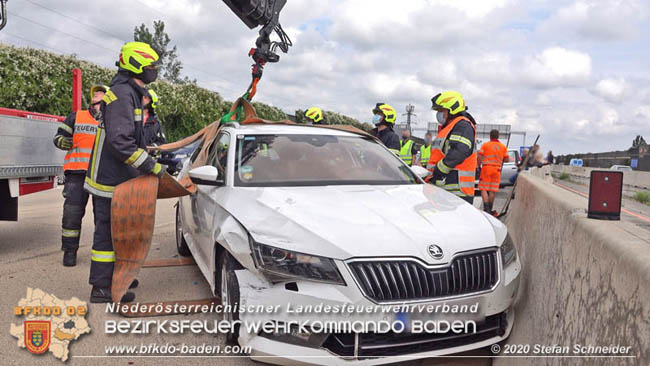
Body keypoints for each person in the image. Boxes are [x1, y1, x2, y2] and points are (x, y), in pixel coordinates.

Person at [84, 41, 165, 303]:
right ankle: (102, 288)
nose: (155, 70)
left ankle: (119, 276)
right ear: (137, 66)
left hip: (119, 179)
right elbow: (120, 142)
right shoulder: (121, 94)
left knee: (121, 232)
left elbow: (132, 137)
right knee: (107, 235)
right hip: (109, 180)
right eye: (151, 66)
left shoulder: (130, 93)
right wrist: (151, 166)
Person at [53, 85, 108, 267]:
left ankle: (100, 254)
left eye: (100, 93)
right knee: (72, 214)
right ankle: (69, 251)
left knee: (102, 217)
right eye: (95, 93)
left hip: (101, 174)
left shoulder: (112, 121)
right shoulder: (76, 116)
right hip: (76, 173)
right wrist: (64, 142)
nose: (96, 94)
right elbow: (58, 137)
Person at [426, 91, 477, 204]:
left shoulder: (462, 125)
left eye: (441, 110)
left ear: (452, 109)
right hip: (446, 191)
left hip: (458, 193)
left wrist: (438, 171)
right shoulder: (450, 127)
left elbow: (459, 151)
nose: (438, 114)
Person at [478, 129, 510, 214]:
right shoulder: (503, 147)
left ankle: (486, 209)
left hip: (486, 168)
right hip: (497, 170)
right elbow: (507, 159)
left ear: (490, 136)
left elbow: (480, 156)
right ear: (498, 136)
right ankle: (490, 209)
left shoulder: (485, 145)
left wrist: (478, 166)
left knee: (484, 189)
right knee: (492, 190)